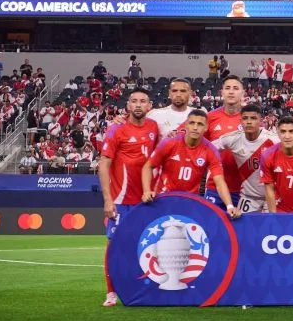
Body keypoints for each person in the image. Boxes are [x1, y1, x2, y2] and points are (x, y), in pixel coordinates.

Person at [97, 87, 160, 307]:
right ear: (128, 106)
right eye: (134, 101)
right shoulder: (116, 130)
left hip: (146, 200)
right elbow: (103, 165)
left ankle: (145, 288)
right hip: (121, 201)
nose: (139, 105)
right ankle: (111, 292)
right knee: (114, 245)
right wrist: (107, 200)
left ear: (149, 106)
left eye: (143, 101)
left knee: (148, 246)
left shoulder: (154, 127)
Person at [141, 110, 237, 215]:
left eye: (200, 124)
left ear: (206, 128)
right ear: (186, 125)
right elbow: (148, 167)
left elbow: (219, 181)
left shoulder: (211, 150)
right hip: (165, 198)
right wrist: (146, 191)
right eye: (192, 123)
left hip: (190, 202)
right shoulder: (169, 143)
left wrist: (230, 206)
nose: (195, 127)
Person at [211, 104, 279, 214]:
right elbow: (207, 148)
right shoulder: (233, 139)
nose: (248, 122)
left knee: (271, 230)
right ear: (240, 121)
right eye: (245, 118)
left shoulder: (274, 140)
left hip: (273, 196)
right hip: (248, 197)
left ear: (261, 121)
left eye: (253, 118)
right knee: (242, 228)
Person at [205, 75, 247, 207]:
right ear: (221, 92)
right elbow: (201, 147)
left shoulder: (250, 118)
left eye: (235, 88)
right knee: (212, 225)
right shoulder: (210, 117)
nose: (231, 91)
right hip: (214, 185)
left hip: (243, 187)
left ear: (242, 93)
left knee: (239, 227)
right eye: (227, 88)